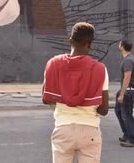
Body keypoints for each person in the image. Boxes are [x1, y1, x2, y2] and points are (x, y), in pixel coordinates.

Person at [42, 22, 109, 163]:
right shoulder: (100, 69)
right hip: (90, 130)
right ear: (89, 44)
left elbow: (46, 99)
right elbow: (103, 110)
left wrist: (65, 99)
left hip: (63, 128)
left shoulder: (53, 64)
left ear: (70, 41)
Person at [115, 39, 134, 147]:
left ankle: (133, 140)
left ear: (122, 46)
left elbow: (127, 78)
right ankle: (127, 134)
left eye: (119, 44)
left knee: (127, 115)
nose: (118, 45)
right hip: (127, 90)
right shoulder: (128, 59)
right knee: (119, 111)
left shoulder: (128, 61)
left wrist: (122, 94)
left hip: (129, 91)